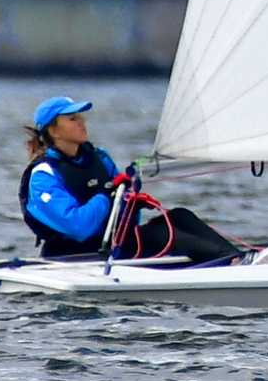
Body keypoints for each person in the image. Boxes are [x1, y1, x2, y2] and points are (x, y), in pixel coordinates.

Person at [22, 96, 249, 265]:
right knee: (169, 236)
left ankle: (239, 258)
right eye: (73, 119)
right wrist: (107, 195)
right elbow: (78, 226)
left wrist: (130, 202)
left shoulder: (98, 157)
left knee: (180, 216)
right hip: (75, 255)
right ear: (54, 131)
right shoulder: (43, 175)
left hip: (114, 242)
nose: (82, 122)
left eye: (81, 117)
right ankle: (233, 263)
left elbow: (120, 211)